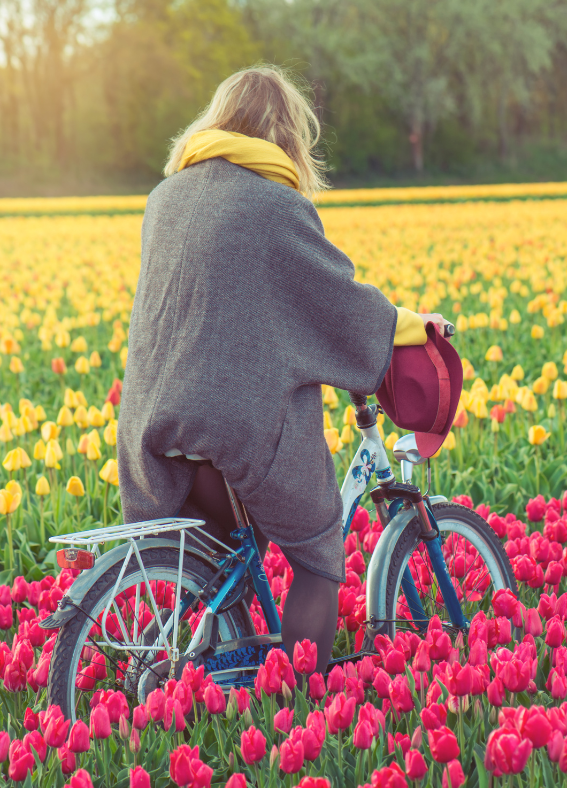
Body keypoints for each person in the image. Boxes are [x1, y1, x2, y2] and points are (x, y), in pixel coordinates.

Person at [116, 64, 450, 681]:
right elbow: (336, 302)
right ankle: (302, 704)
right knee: (318, 556)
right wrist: (408, 324)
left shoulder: (165, 197)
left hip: (151, 416)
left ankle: (224, 671)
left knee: (231, 558)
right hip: (231, 418)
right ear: (287, 134)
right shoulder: (276, 205)